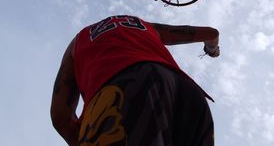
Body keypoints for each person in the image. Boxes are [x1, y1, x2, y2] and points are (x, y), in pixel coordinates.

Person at [50, 15, 220, 146]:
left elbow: (60, 117)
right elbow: (212, 33)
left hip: (120, 90)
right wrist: (211, 49)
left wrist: (87, 136)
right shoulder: (145, 26)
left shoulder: (78, 42)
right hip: (186, 92)